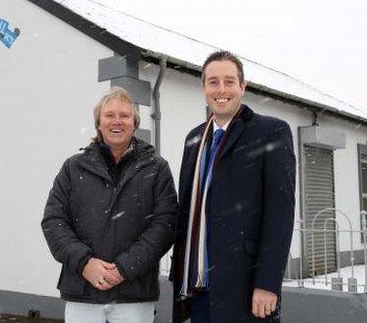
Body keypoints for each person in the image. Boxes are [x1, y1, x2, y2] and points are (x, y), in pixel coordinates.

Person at [171, 51, 296, 322]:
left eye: (229, 81)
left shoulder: (270, 132)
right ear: (204, 88)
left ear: (243, 87)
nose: (221, 89)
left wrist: (268, 282)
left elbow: (280, 214)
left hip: (245, 290)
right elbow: (187, 212)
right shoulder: (194, 139)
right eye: (213, 82)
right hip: (196, 290)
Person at [42, 87, 177, 323]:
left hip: (133, 296)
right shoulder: (74, 168)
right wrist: (84, 263)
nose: (117, 121)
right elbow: (54, 222)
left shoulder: (156, 168)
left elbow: (165, 225)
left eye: (124, 116)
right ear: (99, 123)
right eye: (109, 115)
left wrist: (124, 268)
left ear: (134, 123)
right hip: (83, 293)